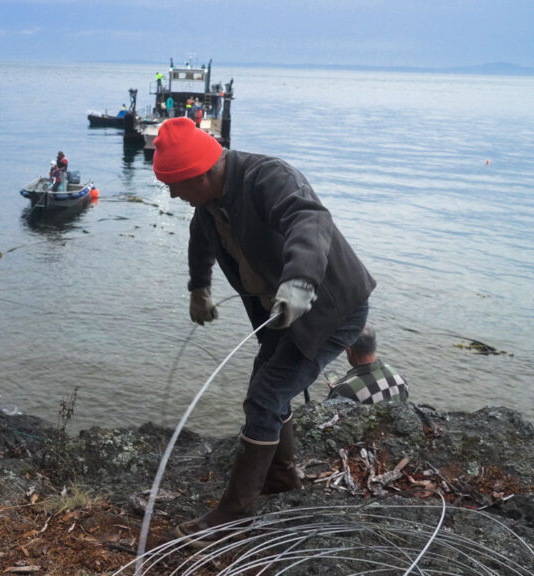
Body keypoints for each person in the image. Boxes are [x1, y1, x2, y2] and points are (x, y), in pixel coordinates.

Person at [152, 117, 375, 543]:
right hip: (281, 309)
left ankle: (236, 512)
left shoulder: (267, 177)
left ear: (199, 174)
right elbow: (201, 239)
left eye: (174, 185)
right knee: (265, 387)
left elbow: (308, 219)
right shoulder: (209, 203)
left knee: (266, 395)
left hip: (328, 306)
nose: (173, 194)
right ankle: (282, 475)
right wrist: (199, 288)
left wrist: (301, 279)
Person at [326, 324, 409, 404]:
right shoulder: (400, 380)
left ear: (349, 351)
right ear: (376, 346)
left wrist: (336, 393)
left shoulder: (345, 390)